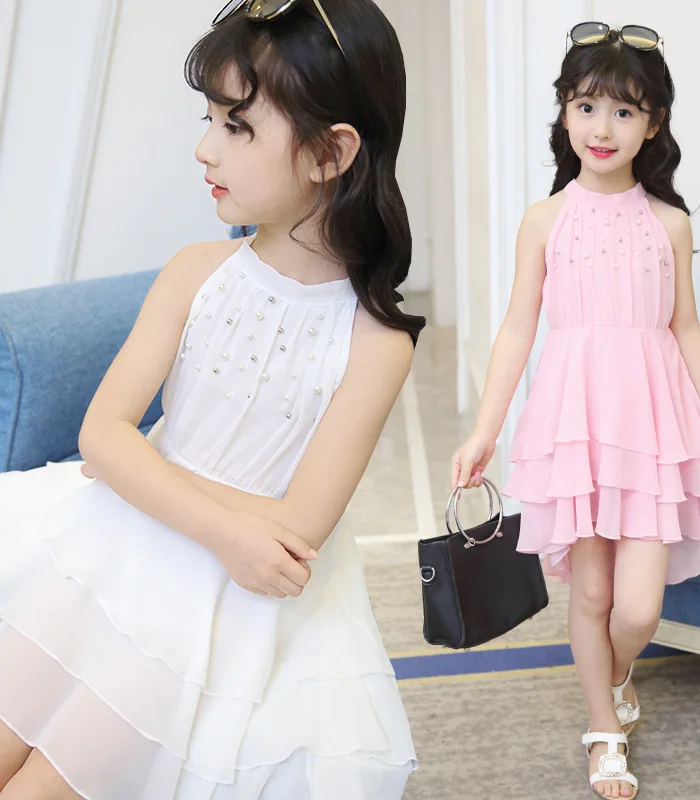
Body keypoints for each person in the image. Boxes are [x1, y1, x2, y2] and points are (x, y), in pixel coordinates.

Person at [0, 0, 423, 797]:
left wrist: (138, 469)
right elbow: (100, 435)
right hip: (105, 551)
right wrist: (224, 525)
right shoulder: (196, 270)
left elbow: (297, 529)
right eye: (210, 120)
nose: (205, 147)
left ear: (331, 152)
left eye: (237, 126)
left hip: (215, 615)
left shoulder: (377, 342)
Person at [451, 23, 700, 799]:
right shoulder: (545, 220)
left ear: (653, 124)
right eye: (586, 106)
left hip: (653, 428)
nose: (602, 127)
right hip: (575, 424)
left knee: (637, 607)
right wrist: (484, 431)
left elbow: (685, 329)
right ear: (564, 113)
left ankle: (614, 674)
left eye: (623, 110)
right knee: (590, 594)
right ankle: (604, 731)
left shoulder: (669, 223)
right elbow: (519, 329)